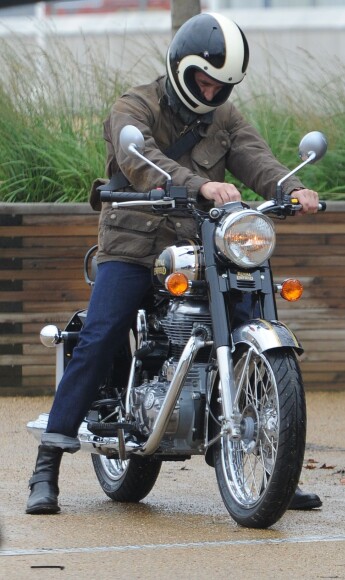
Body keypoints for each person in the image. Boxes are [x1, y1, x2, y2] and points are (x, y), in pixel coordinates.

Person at [26, 12, 322, 514]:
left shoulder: (225, 118)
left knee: (251, 314)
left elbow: (256, 157)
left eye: (220, 86)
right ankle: (46, 466)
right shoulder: (134, 105)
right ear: (181, 68)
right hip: (135, 242)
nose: (210, 92)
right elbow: (138, 161)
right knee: (101, 334)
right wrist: (199, 184)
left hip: (198, 243)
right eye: (203, 81)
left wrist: (291, 188)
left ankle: (277, 471)